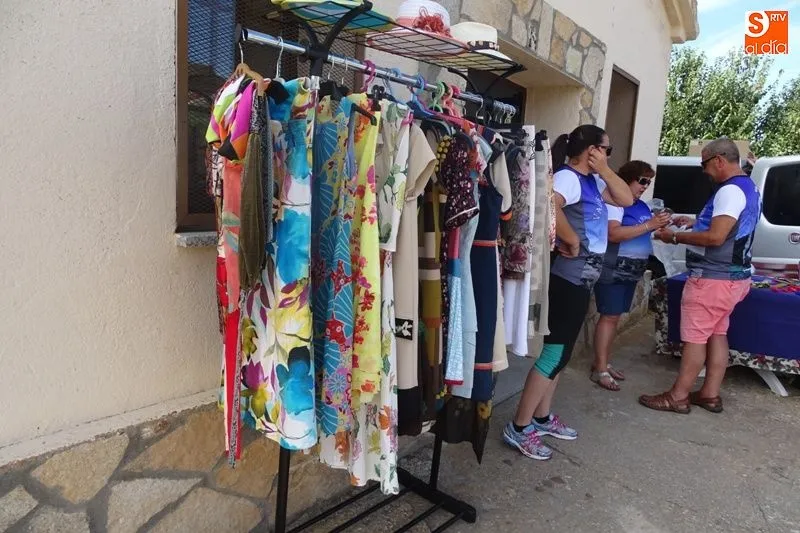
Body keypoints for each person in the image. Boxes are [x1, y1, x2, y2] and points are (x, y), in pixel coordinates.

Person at [503, 124, 634, 460]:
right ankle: (519, 426)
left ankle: (541, 417)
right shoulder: (568, 178)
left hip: (581, 281)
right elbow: (549, 204)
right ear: (591, 149)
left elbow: (626, 199)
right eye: (606, 149)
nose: (608, 155)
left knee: (561, 355)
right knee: (553, 355)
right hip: (567, 279)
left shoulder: (592, 181)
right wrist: (571, 238)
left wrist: (604, 169)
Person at [640, 138, 761, 414]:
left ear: (719, 160)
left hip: (712, 278)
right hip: (733, 278)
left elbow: (717, 237)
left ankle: (678, 396)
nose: (704, 170)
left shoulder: (729, 191)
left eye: (704, 164)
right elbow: (730, 226)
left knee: (695, 338)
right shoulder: (748, 187)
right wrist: (696, 222)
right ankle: (709, 394)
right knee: (718, 333)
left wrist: (673, 237)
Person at [591, 161, 671, 391]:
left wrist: (661, 227)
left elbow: (644, 232)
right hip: (614, 269)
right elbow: (614, 234)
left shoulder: (642, 206)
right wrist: (649, 225)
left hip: (631, 272)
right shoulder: (615, 202)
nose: (645, 186)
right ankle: (600, 369)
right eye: (642, 181)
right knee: (609, 317)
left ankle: (603, 362)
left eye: (649, 182)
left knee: (614, 318)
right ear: (628, 179)